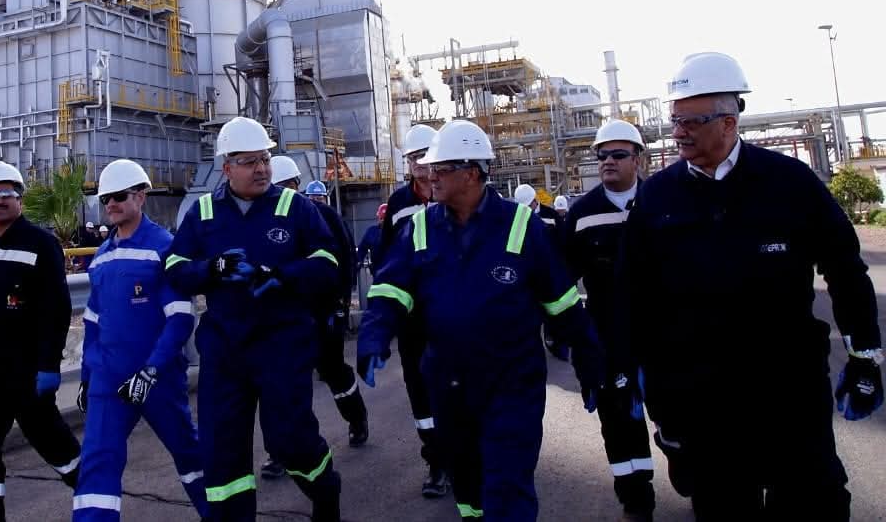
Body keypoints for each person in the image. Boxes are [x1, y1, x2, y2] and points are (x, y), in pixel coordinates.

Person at [617, 52, 882, 520]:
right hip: (703, 403)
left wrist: (864, 355)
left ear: (729, 121)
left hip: (789, 394)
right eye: (675, 120)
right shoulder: (658, 197)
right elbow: (635, 294)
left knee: (815, 506)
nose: (678, 132)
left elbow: (845, 269)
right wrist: (641, 379)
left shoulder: (789, 183)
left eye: (692, 121)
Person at [359, 119, 605, 521]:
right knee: (468, 484)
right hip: (449, 383)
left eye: (440, 169)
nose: (430, 176)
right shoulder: (421, 227)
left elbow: (561, 301)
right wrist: (374, 336)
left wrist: (589, 360)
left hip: (511, 382)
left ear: (471, 173)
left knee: (507, 486)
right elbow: (390, 287)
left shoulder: (520, 225)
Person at [166, 117, 343, 521]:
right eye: (250, 162)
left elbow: (328, 262)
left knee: (290, 440)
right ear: (226, 167)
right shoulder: (203, 213)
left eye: (265, 159)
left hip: (282, 345)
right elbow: (175, 267)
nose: (262, 169)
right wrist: (212, 269)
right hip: (225, 351)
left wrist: (280, 276)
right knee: (222, 451)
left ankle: (325, 491)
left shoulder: (295, 208)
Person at [74, 159, 208, 520]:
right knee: (98, 462)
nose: (111, 205)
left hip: (157, 380)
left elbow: (180, 318)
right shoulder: (101, 258)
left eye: (119, 196)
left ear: (141, 196)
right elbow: (93, 323)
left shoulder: (164, 249)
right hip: (108, 379)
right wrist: (87, 377)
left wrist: (151, 371)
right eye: (106, 199)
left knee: (189, 454)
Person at [0, 161, 81, 521]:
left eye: (6, 193)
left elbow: (56, 308)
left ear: (19, 199)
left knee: (55, 445)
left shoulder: (41, 243)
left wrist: (49, 365)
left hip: (26, 373)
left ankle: (96, 496)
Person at [559, 119, 655, 520]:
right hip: (608, 335)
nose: (607, 162)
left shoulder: (661, 201)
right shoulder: (583, 214)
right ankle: (635, 497)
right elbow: (562, 279)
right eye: (601, 155)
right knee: (617, 421)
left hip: (665, 332)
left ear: (638, 159)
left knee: (680, 414)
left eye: (618, 154)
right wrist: (569, 336)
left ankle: (686, 464)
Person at [256, 158, 370, 480]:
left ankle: (356, 418)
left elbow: (344, 259)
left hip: (323, 312)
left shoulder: (323, 216)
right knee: (279, 384)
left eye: (285, 186)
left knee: (333, 371)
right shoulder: (262, 220)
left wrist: (341, 303)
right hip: (284, 317)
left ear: (296, 185)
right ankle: (279, 450)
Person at [382, 123, 448, 498]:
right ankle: (436, 462)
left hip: (453, 312)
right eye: (412, 158)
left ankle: (466, 456)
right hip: (412, 317)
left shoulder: (453, 193)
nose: (419, 164)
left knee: (458, 385)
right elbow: (388, 260)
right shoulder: (398, 203)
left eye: (424, 156)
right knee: (419, 390)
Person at [357, 203, 388, 270]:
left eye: (384, 218)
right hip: (378, 269)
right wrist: (359, 260)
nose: (383, 220)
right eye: (381, 218)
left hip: (390, 270)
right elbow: (362, 248)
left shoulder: (398, 230)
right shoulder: (372, 232)